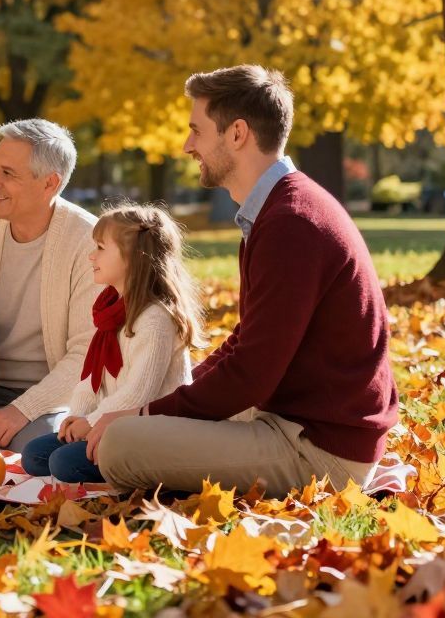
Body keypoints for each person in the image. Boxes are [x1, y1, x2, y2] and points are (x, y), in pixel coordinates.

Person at [90, 66, 399, 496]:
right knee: (133, 427)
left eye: (196, 131)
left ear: (237, 134)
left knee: (120, 444)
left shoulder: (292, 223)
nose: (187, 146)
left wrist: (143, 417)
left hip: (317, 449)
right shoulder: (275, 210)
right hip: (288, 419)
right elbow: (247, 341)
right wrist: (167, 400)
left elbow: (250, 374)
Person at [20, 204, 202, 484]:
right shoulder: (111, 311)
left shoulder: (154, 320)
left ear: (133, 257)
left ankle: (136, 470)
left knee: (63, 463)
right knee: (34, 455)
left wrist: (90, 424)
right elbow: (93, 378)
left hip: (149, 433)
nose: (91, 256)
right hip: (110, 425)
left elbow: (138, 394)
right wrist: (77, 417)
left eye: (101, 248)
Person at [0, 119, 99, 450]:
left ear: (50, 183)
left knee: (38, 451)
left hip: (49, 397)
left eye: (8, 173)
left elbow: (88, 354)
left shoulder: (90, 244)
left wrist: (22, 410)